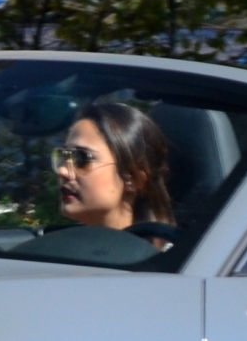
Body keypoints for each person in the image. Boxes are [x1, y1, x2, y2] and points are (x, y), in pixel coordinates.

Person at [52, 100, 177, 248]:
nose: (63, 171)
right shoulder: (60, 251)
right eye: (64, 157)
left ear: (134, 178)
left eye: (82, 159)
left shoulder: (171, 265)